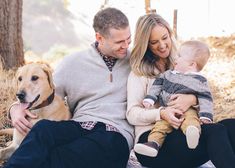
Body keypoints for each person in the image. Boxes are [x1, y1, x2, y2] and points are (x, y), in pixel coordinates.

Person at [5, 7, 134, 168]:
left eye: (128, 39)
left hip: (115, 133)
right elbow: (44, 94)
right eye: (119, 42)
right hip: (79, 126)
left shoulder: (136, 62)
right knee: (43, 129)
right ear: (99, 38)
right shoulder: (72, 63)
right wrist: (14, 109)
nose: (126, 45)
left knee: (66, 155)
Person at [127, 13, 235, 168]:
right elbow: (132, 114)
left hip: (185, 130)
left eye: (165, 38)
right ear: (145, 44)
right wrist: (161, 112)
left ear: (170, 34)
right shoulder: (139, 73)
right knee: (215, 132)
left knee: (231, 126)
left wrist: (193, 99)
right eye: (154, 42)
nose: (162, 45)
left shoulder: (180, 63)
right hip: (153, 141)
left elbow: (202, 91)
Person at [134, 40, 213, 157]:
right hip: (168, 109)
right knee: (160, 126)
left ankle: (192, 132)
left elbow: (206, 97)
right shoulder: (169, 74)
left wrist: (205, 116)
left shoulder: (200, 80)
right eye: (154, 41)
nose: (176, 58)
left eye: (180, 56)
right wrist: (150, 98)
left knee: (191, 119)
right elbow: (157, 85)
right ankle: (153, 143)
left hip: (188, 110)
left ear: (192, 64)